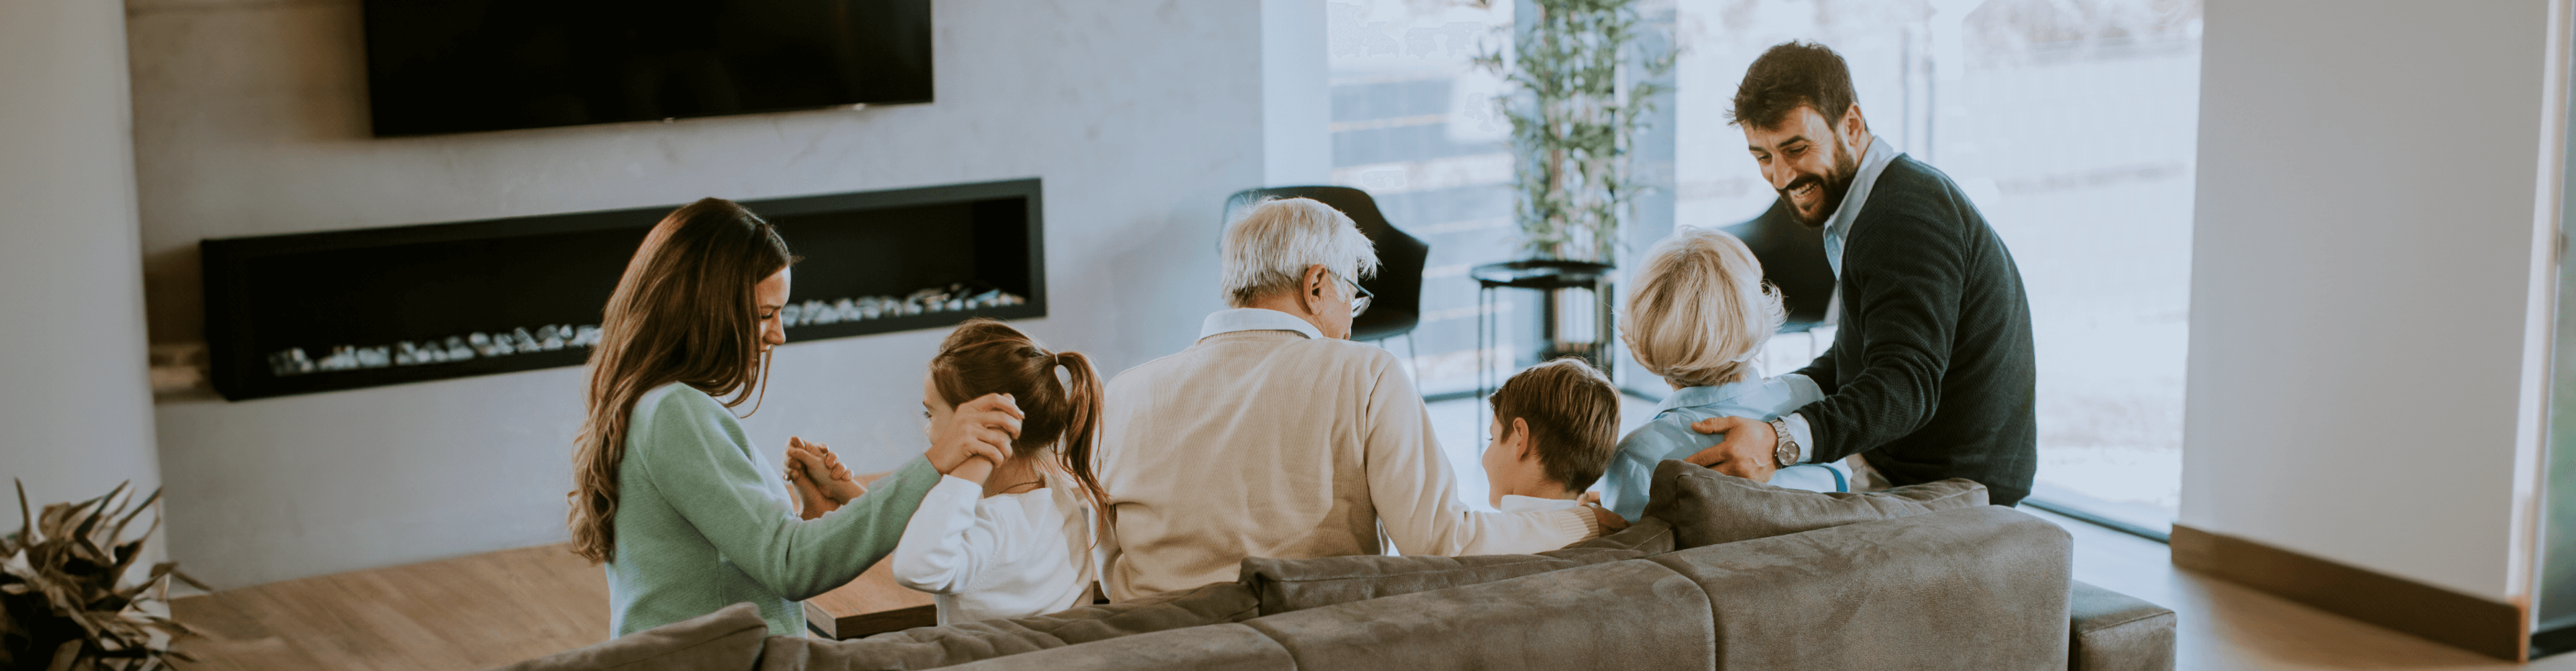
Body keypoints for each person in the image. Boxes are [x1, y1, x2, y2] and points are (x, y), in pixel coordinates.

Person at [1094, 197, 1623, 601]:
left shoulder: (1123, 393)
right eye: (1354, 296)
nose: (1349, 327)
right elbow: (1443, 543)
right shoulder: (1365, 374)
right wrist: (1576, 522)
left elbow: (1108, 560)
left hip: (1155, 646)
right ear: (1317, 285)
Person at [568, 197, 1020, 637]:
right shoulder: (674, 411)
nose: (779, 335)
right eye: (766, 314)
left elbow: (724, 564)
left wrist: (811, 519)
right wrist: (938, 459)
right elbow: (790, 566)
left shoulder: (645, 404)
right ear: (704, 308)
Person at [1684, 41, 2039, 505]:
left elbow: (1904, 386)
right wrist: (1761, 398)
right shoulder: (1885, 199)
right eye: (1763, 157)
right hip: (1922, 468)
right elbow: (1860, 358)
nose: (1780, 177)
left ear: (1850, 125)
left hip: (1948, 492)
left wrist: (1778, 442)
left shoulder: (1900, 221)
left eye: (1796, 148)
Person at [1601, 227, 1862, 521]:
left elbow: (1626, 550)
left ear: (1643, 348)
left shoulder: (1637, 457)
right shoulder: (1809, 399)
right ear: (1759, 316)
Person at [888, 319, 1109, 625]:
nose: (927, 429)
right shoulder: (1051, 498)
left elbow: (915, 566)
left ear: (983, 427)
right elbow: (928, 535)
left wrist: (977, 459)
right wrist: (849, 496)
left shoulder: (992, 525)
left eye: (931, 413)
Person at [1480, 358, 1621, 514]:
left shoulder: (1490, 536)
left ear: (1520, 438)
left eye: (1492, 438)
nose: (1484, 459)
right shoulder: (1600, 527)